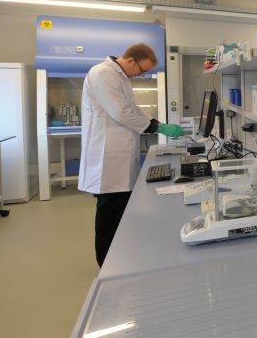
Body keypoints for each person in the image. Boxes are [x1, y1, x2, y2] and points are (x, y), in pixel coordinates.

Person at [78, 43, 184, 266]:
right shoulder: (103, 73)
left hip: (119, 154)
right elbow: (121, 112)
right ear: (130, 60)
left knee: (119, 212)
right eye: (142, 70)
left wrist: (157, 123)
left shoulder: (121, 77)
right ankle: (106, 264)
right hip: (107, 157)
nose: (142, 74)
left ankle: (120, 258)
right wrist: (158, 128)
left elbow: (133, 110)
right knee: (109, 215)